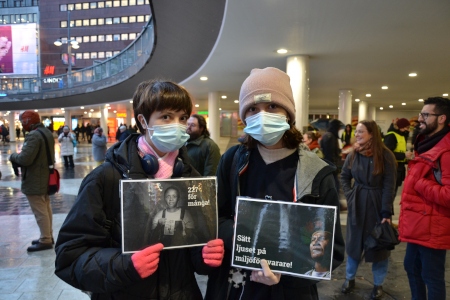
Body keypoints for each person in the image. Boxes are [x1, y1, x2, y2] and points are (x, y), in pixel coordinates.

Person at [55, 79, 224, 299]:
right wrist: (124, 265)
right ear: (143, 121)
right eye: (166, 117)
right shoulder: (106, 179)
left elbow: (193, 252)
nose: (178, 125)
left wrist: (204, 255)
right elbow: (70, 257)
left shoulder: (191, 179)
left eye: (182, 118)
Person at [205, 67, 345, 300]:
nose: (262, 115)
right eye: (252, 109)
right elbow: (214, 218)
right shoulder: (232, 161)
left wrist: (286, 269)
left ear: (288, 113)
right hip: (234, 285)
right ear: (244, 117)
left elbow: (331, 253)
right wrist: (247, 243)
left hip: (290, 292)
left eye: (272, 106)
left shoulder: (317, 174)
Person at [399, 97, 450, 300]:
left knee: (432, 276)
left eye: (426, 115)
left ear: (442, 119)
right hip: (420, 224)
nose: (420, 118)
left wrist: (419, 182)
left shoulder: (445, 152)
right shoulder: (428, 144)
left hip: (432, 227)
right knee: (411, 266)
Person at [340, 120, 397, 299]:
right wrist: (350, 195)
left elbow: (390, 186)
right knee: (354, 243)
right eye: (356, 131)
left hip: (377, 203)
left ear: (372, 133)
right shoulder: (353, 153)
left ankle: (378, 284)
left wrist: (386, 212)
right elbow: (344, 176)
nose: (356, 134)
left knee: (378, 245)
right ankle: (349, 279)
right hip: (357, 202)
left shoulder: (386, 155)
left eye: (360, 131)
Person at [9, 110, 55, 251]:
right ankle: (47, 235)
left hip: (36, 178)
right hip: (45, 175)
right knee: (45, 207)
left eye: (23, 121)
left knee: (40, 210)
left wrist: (13, 156)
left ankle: (46, 239)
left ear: (29, 121)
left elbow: (25, 159)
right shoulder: (46, 132)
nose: (22, 125)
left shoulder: (34, 136)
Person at [384, 118, 413, 196]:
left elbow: (400, 150)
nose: (408, 130)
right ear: (401, 127)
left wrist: (406, 158)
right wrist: (404, 155)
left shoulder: (401, 135)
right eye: (407, 128)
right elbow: (386, 153)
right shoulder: (391, 135)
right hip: (391, 167)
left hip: (399, 167)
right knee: (389, 193)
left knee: (393, 192)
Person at [319, 119, 342, 192]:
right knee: (334, 185)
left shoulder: (328, 135)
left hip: (328, 164)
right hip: (330, 165)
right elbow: (330, 153)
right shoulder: (330, 136)